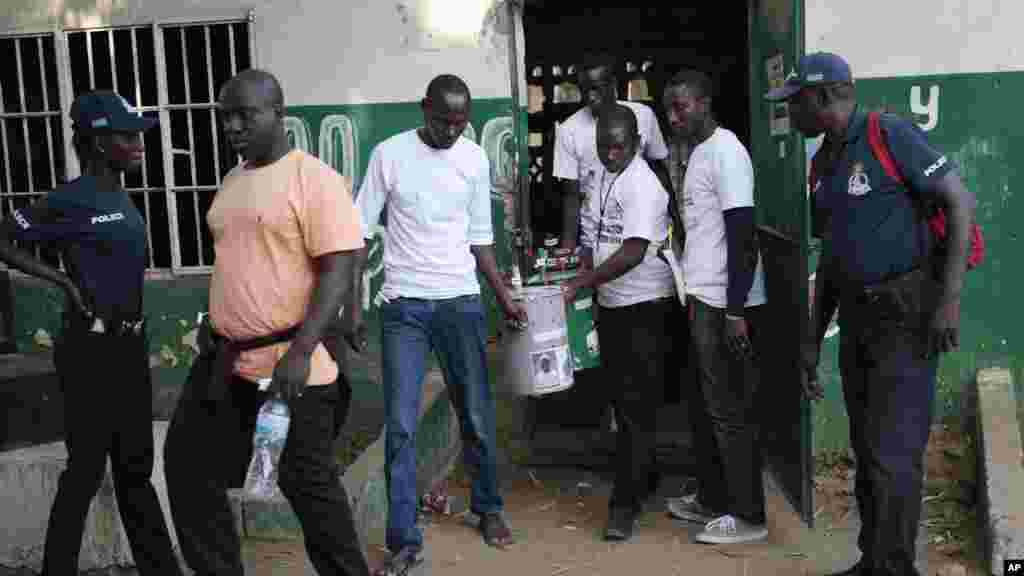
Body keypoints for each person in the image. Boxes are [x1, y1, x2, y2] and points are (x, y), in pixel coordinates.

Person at [767, 52, 976, 576]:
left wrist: (947, 301)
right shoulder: (824, 162)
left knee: (894, 455)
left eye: (794, 103)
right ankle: (875, 560)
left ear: (821, 97)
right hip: (859, 319)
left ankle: (896, 567)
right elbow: (833, 261)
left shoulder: (888, 134)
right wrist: (814, 339)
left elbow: (960, 202)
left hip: (907, 315)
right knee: (868, 450)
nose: (788, 114)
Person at [163, 69, 371, 576]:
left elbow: (339, 269)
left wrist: (301, 352)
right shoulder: (234, 181)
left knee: (308, 486)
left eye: (244, 115)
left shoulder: (314, 180)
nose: (232, 126)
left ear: (278, 114)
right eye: (225, 117)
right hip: (228, 362)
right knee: (188, 466)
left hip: (290, 367)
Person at [346, 74, 528, 576]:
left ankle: (488, 509)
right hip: (405, 306)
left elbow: (480, 239)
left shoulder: (473, 158)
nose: (452, 130)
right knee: (401, 426)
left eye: (460, 121)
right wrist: (354, 308)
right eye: (443, 119)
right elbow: (359, 234)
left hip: (460, 303)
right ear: (424, 108)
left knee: (475, 412)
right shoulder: (389, 154)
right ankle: (403, 539)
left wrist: (502, 295)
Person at [0, 91, 182, 575]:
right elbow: (4, 238)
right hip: (89, 352)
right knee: (84, 472)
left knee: (135, 473)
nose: (139, 143)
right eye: (128, 135)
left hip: (127, 349)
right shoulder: (68, 199)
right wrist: (60, 279)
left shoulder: (120, 195)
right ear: (100, 144)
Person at [660, 69, 770, 545]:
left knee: (729, 410)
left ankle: (748, 516)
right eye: (669, 109)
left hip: (725, 301)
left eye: (681, 107)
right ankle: (712, 497)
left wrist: (735, 310)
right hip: (702, 296)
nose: (674, 116)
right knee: (706, 407)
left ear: (704, 102)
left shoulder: (726, 152)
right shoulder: (698, 153)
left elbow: (743, 237)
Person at [562, 104, 677, 542]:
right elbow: (595, 232)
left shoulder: (644, 185)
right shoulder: (606, 176)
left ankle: (623, 507)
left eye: (618, 147)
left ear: (637, 144)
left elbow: (631, 250)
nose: (610, 154)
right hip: (613, 304)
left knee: (634, 408)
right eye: (603, 147)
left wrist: (584, 282)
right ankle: (643, 479)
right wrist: (584, 270)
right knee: (626, 404)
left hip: (645, 306)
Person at [553, 53, 672, 254]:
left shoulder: (643, 116)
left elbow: (660, 172)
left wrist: (676, 229)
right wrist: (568, 249)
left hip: (643, 233)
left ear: (613, 84)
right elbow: (571, 196)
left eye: (596, 89)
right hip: (596, 237)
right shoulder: (569, 130)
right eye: (584, 90)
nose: (590, 97)